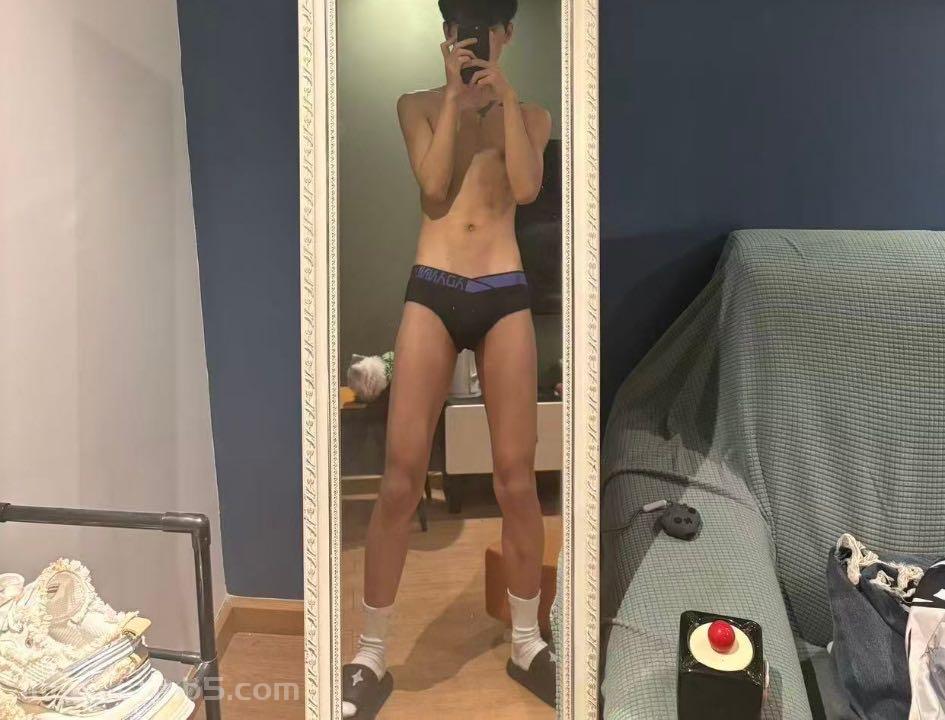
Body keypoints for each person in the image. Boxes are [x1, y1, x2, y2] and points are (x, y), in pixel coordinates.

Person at [341, 1, 554, 717]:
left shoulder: (531, 116)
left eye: (485, 27)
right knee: (400, 479)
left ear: (506, 34)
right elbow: (433, 188)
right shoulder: (416, 105)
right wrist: (457, 105)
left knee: (516, 480)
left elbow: (525, 188)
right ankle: (370, 654)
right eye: (461, 26)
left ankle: (526, 642)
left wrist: (506, 100)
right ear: (446, 35)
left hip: (503, 290)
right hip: (433, 288)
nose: (473, 40)